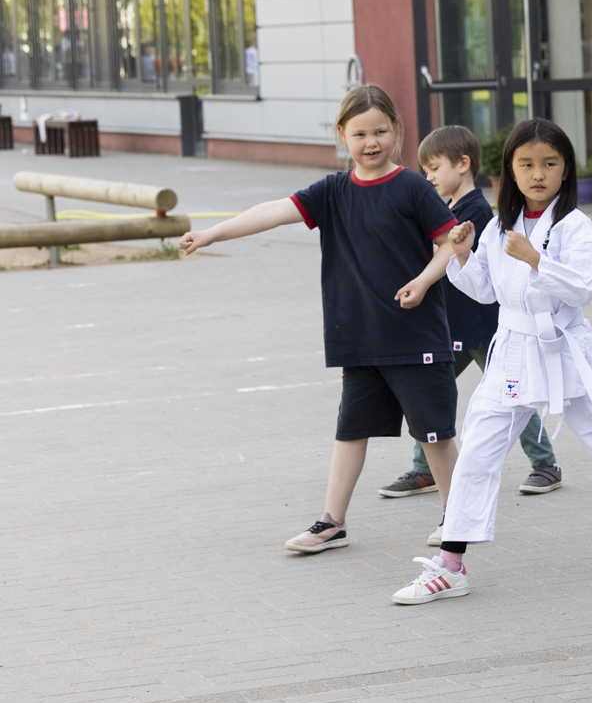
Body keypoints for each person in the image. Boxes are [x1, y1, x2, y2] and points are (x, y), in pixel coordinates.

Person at [392, 119, 592, 604]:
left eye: (549, 164)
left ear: (566, 170)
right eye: (526, 164)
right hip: (514, 350)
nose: (538, 174)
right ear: (510, 171)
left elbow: (583, 286)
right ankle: (451, 564)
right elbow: (484, 291)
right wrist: (461, 256)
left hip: (565, 347)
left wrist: (537, 260)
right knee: (479, 452)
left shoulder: (575, 225)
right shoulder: (500, 225)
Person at [178, 85, 462, 555]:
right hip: (361, 339)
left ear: (396, 129)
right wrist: (211, 233)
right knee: (350, 430)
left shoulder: (412, 186)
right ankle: (331, 522)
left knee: (434, 433)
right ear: (341, 136)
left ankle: (457, 516)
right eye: (360, 133)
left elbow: (450, 242)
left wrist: (424, 281)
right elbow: (272, 212)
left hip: (415, 338)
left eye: (380, 131)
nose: (371, 142)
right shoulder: (331, 191)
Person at [379, 125, 562, 512]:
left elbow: (472, 271)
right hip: (453, 326)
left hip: (482, 327)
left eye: (434, 167)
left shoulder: (477, 212)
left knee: (510, 391)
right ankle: (424, 467)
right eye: (424, 170)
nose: (428, 177)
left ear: (463, 165)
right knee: (431, 389)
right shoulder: (450, 209)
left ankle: (545, 464)